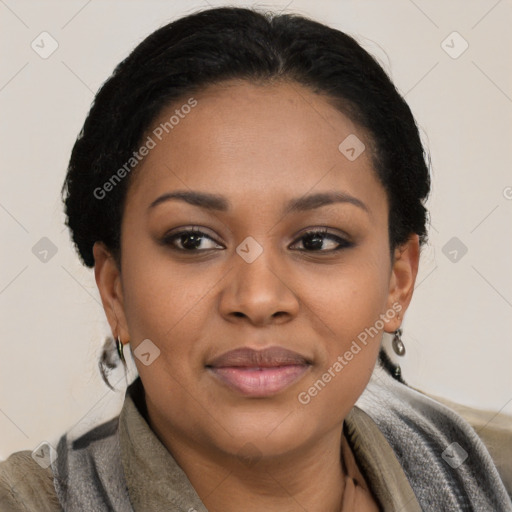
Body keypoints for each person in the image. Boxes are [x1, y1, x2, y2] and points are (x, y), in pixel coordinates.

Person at [1, 6, 511, 511]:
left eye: (318, 241)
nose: (258, 299)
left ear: (399, 282)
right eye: (193, 241)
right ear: (115, 288)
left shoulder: (492, 478)